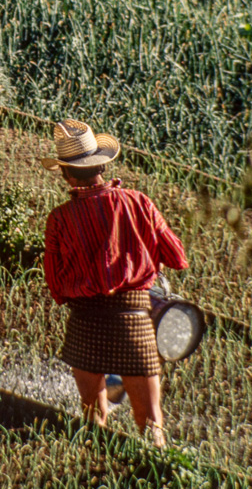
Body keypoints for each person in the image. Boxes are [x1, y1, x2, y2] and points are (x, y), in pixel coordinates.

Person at [40, 118, 188, 447]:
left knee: (94, 419)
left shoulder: (59, 218)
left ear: (65, 174)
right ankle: (157, 480)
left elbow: (57, 286)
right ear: (103, 165)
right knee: (151, 426)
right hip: (134, 322)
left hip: (85, 325)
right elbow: (177, 256)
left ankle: (95, 480)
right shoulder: (139, 202)